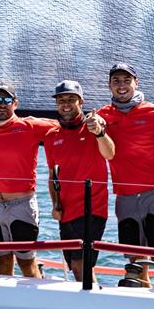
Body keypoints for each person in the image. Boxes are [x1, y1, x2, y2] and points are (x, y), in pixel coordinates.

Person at [97, 63, 154, 290]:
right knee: (135, 265)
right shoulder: (102, 116)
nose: (121, 86)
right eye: (116, 81)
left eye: (126, 80)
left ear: (136, 82)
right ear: (109, 85)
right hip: (125, 198)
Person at [0, 81, 56, 277]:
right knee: (2, 263)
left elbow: (67, 125)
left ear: (15, 104)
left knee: (27, 263)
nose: (2, 104)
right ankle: (8, 307)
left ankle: (38, 303)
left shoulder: (30, 126)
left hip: (22, 205)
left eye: (7, 100)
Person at [44, 80, 114, 282]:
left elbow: (110, 154)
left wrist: (99, 132)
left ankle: (94, 307)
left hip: (92, 209)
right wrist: (55, 204)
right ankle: (94, 302)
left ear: (81, 102)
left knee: (80, 264)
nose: (66, 104)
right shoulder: (51, 136)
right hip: (66, 211)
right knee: (76, 266)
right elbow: (52, 174)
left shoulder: (94, 126)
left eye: (71, 99)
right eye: (61, 100)